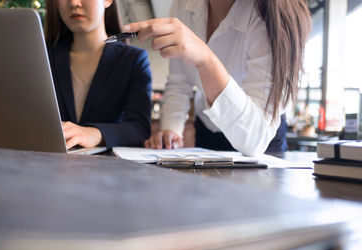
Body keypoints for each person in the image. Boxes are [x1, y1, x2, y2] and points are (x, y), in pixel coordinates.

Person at [124, 0, 311, 156]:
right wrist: (170, 131)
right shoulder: (184, 5)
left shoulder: (270, 18)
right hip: (207, 133)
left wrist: (206, 60)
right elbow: (179, 82)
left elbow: (256, 139)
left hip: (261, 144)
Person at [45, 0, 152, 149]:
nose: (74, 3)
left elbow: (139, 128)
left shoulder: (133, 60)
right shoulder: (43, 57)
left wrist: (95, 133)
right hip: (47, 163)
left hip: (108, 169)